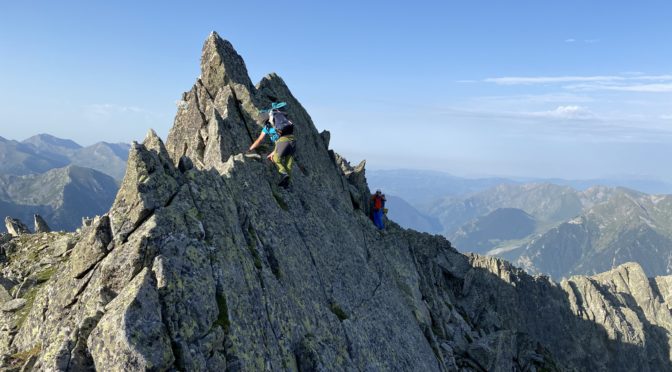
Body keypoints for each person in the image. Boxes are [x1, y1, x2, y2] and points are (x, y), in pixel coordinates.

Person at [250, 102, 296, 188]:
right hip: (292, 140)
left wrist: (250, 149)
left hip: (284, 140)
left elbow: (260, 140)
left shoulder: (270, 127)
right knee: (288, 163)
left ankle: (284, 174)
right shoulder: (276, 123)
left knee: (275, 158)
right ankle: (286, 184)